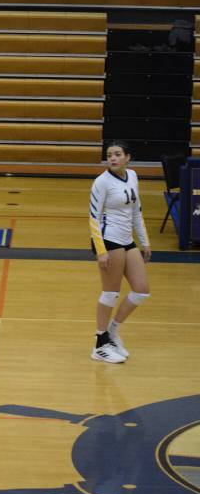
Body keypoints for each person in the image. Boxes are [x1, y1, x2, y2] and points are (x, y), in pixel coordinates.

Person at [88, 141, 152, 364]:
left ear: (128, 157)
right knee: (110, 293)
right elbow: (93, 217)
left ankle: (113, 333)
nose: (113, 158)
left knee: (142, 291)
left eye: (117, 154)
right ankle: (99, 344)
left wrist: (145, 242)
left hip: (127, 240)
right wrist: (101, 250)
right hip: (108, 241)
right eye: (109, 155)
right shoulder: (101, 182)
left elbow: (137, 212)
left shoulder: (133, 176)